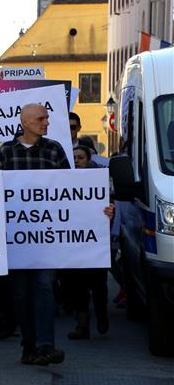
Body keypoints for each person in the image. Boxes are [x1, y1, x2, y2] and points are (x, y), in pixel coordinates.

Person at [0, 103, 71, 366]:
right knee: (21, 293)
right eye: (41, 118)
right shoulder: (5, 152)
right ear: (24, 122)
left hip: (46, 237)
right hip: (17, 237)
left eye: (46, 118)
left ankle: (46, 345)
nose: (46, 122)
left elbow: (71, 191)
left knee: (45, 287)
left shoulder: (54, 150)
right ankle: (29, 346)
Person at [66, 145, 114, 339]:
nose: (77, 161)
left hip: (96, 245)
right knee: (79, 286)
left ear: (89, 160)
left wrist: (110, 212)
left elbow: (110, 208)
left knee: (98, 284)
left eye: (81, 157)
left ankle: (102, 316)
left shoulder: (99, 185)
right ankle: (82, 325)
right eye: (74, 158)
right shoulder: (63, 184)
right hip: (75, 245)